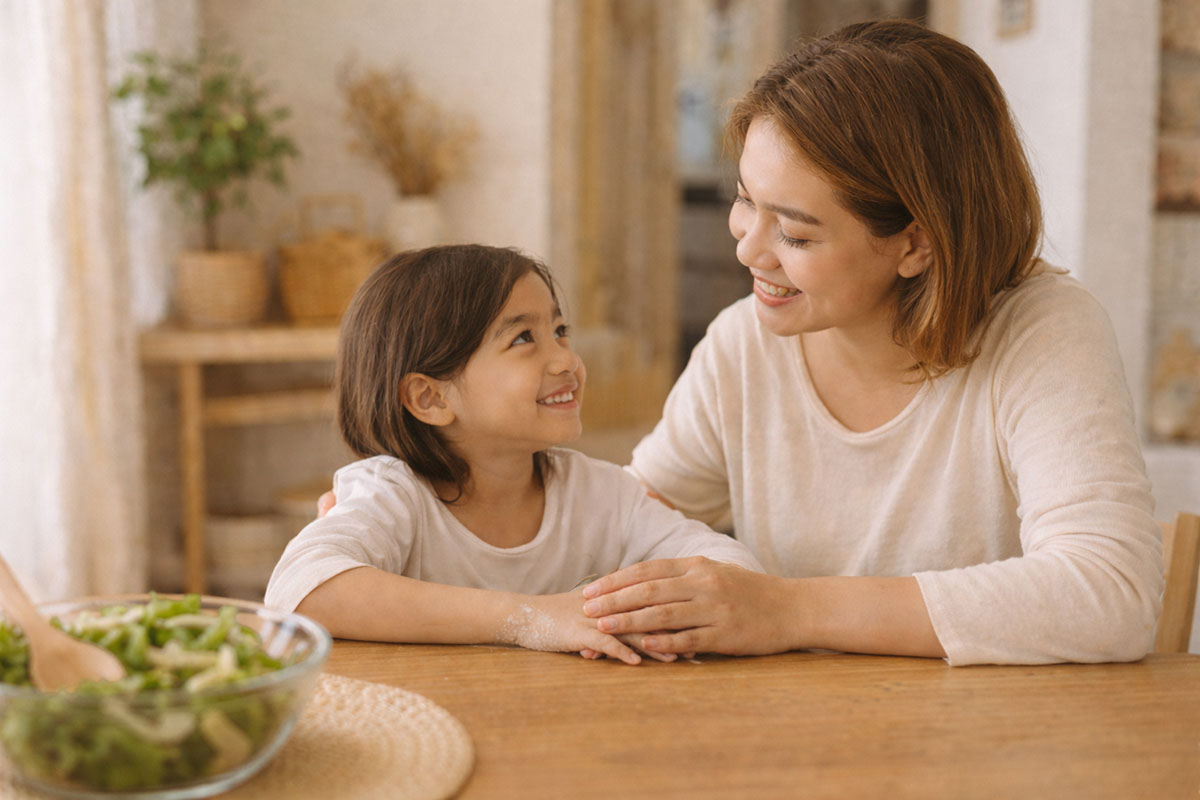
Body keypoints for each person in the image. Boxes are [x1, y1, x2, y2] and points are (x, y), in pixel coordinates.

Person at [571, 19, 1164, 667]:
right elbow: (623, 526)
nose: (746, 248)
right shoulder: (745, 342)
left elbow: (1112, 595)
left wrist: (785, 609)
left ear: (916, 243)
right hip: (796, 743)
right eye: (745, 201)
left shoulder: (1043, 332)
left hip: (988, 746)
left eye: (795, 235)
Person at [264, 244, 762, 665]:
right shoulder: (392, 493)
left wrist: (637, 612)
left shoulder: (600, 493)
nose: (567, 359)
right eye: (524, 338)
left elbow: (732, 569)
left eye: (560, 331)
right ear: (431, 398)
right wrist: (532, 619)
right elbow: (302, 592)